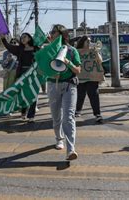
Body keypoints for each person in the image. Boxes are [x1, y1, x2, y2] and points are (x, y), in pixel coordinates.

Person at [47, 24, 81, 161]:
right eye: (51, 32)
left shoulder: (72, 51)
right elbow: (41, 70)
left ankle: (71, 149)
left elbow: (78, 70)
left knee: (68, 117)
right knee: (56, 116)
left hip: (69, 85)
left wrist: (68, 62)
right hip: (53, 85)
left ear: (61, 34)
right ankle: (59, 138)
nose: (52, 34)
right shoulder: (48, 51)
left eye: (54, 32)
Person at [1, 33, 39, 123]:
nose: (22, 38)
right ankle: (23, 111)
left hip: (33, 74)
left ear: (30, 38)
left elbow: (43, 58)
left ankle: (31, 115)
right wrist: (3, 39)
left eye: (24, 37)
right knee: (23, 94)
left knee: (33, 94)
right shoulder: (20, 49)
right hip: (22, 74)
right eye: (21, 37)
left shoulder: (37, 49)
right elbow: (9, 47)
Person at [75, 35, 103, 124]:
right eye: (88, 41)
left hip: (92, 77)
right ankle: (77, 110)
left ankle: (97, 114)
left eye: (90, 41)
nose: (89, 43)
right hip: (81, 77)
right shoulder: (76, 51)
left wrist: (96, 52)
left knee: (94, 95)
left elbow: (100, 61)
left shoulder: (93, 51)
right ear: (82, 42)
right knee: (80, 95)